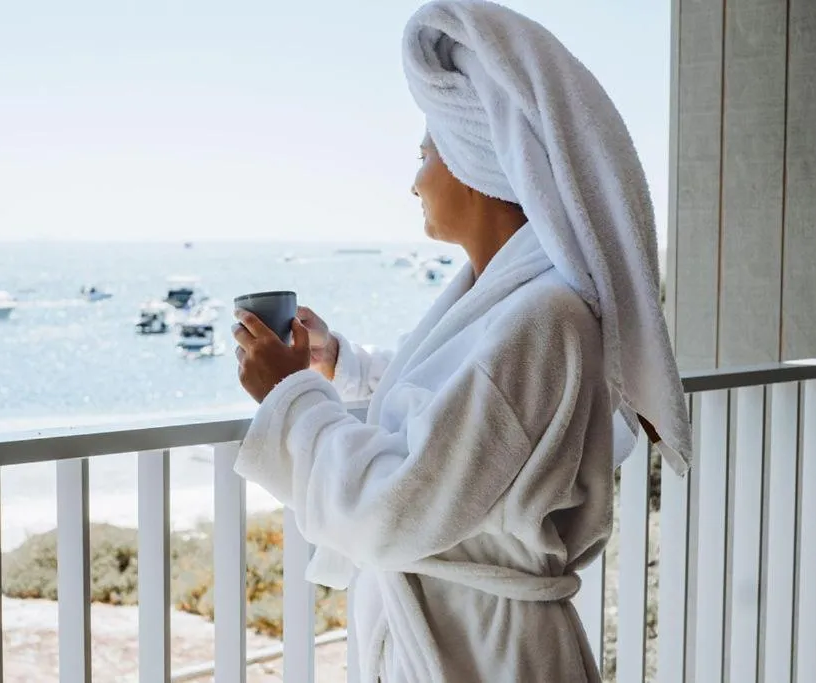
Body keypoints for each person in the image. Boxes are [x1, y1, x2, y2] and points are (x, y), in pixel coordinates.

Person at [231, 1, 692, 681]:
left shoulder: (545, 319)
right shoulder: (509, 302)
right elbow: (465, 406)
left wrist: (290, 397)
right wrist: (342, 365)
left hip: (486, 654)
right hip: (464, 638)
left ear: (482, 162)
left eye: (426, 155)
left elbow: (396, 504)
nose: (414, 180)